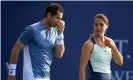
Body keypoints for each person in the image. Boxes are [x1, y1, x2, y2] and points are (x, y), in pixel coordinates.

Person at [8, 3, 65, 80]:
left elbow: (59, 54)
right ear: (49, 15)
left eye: (60, 19)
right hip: (31, 77)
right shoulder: (32, 29)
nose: (59, 22)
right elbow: (15, 50)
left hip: (46, 77)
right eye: (57, 18)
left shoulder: (56, 32)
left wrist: (60, 34)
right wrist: (12, 74)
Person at [79, 14, 123, 80]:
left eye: (101, 25)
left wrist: (113, 47)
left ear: (107, 26)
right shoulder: (89, 45)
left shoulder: (110, 42)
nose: (98, 27)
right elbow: (82, 67)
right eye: (96, 24)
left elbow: (120, 62)